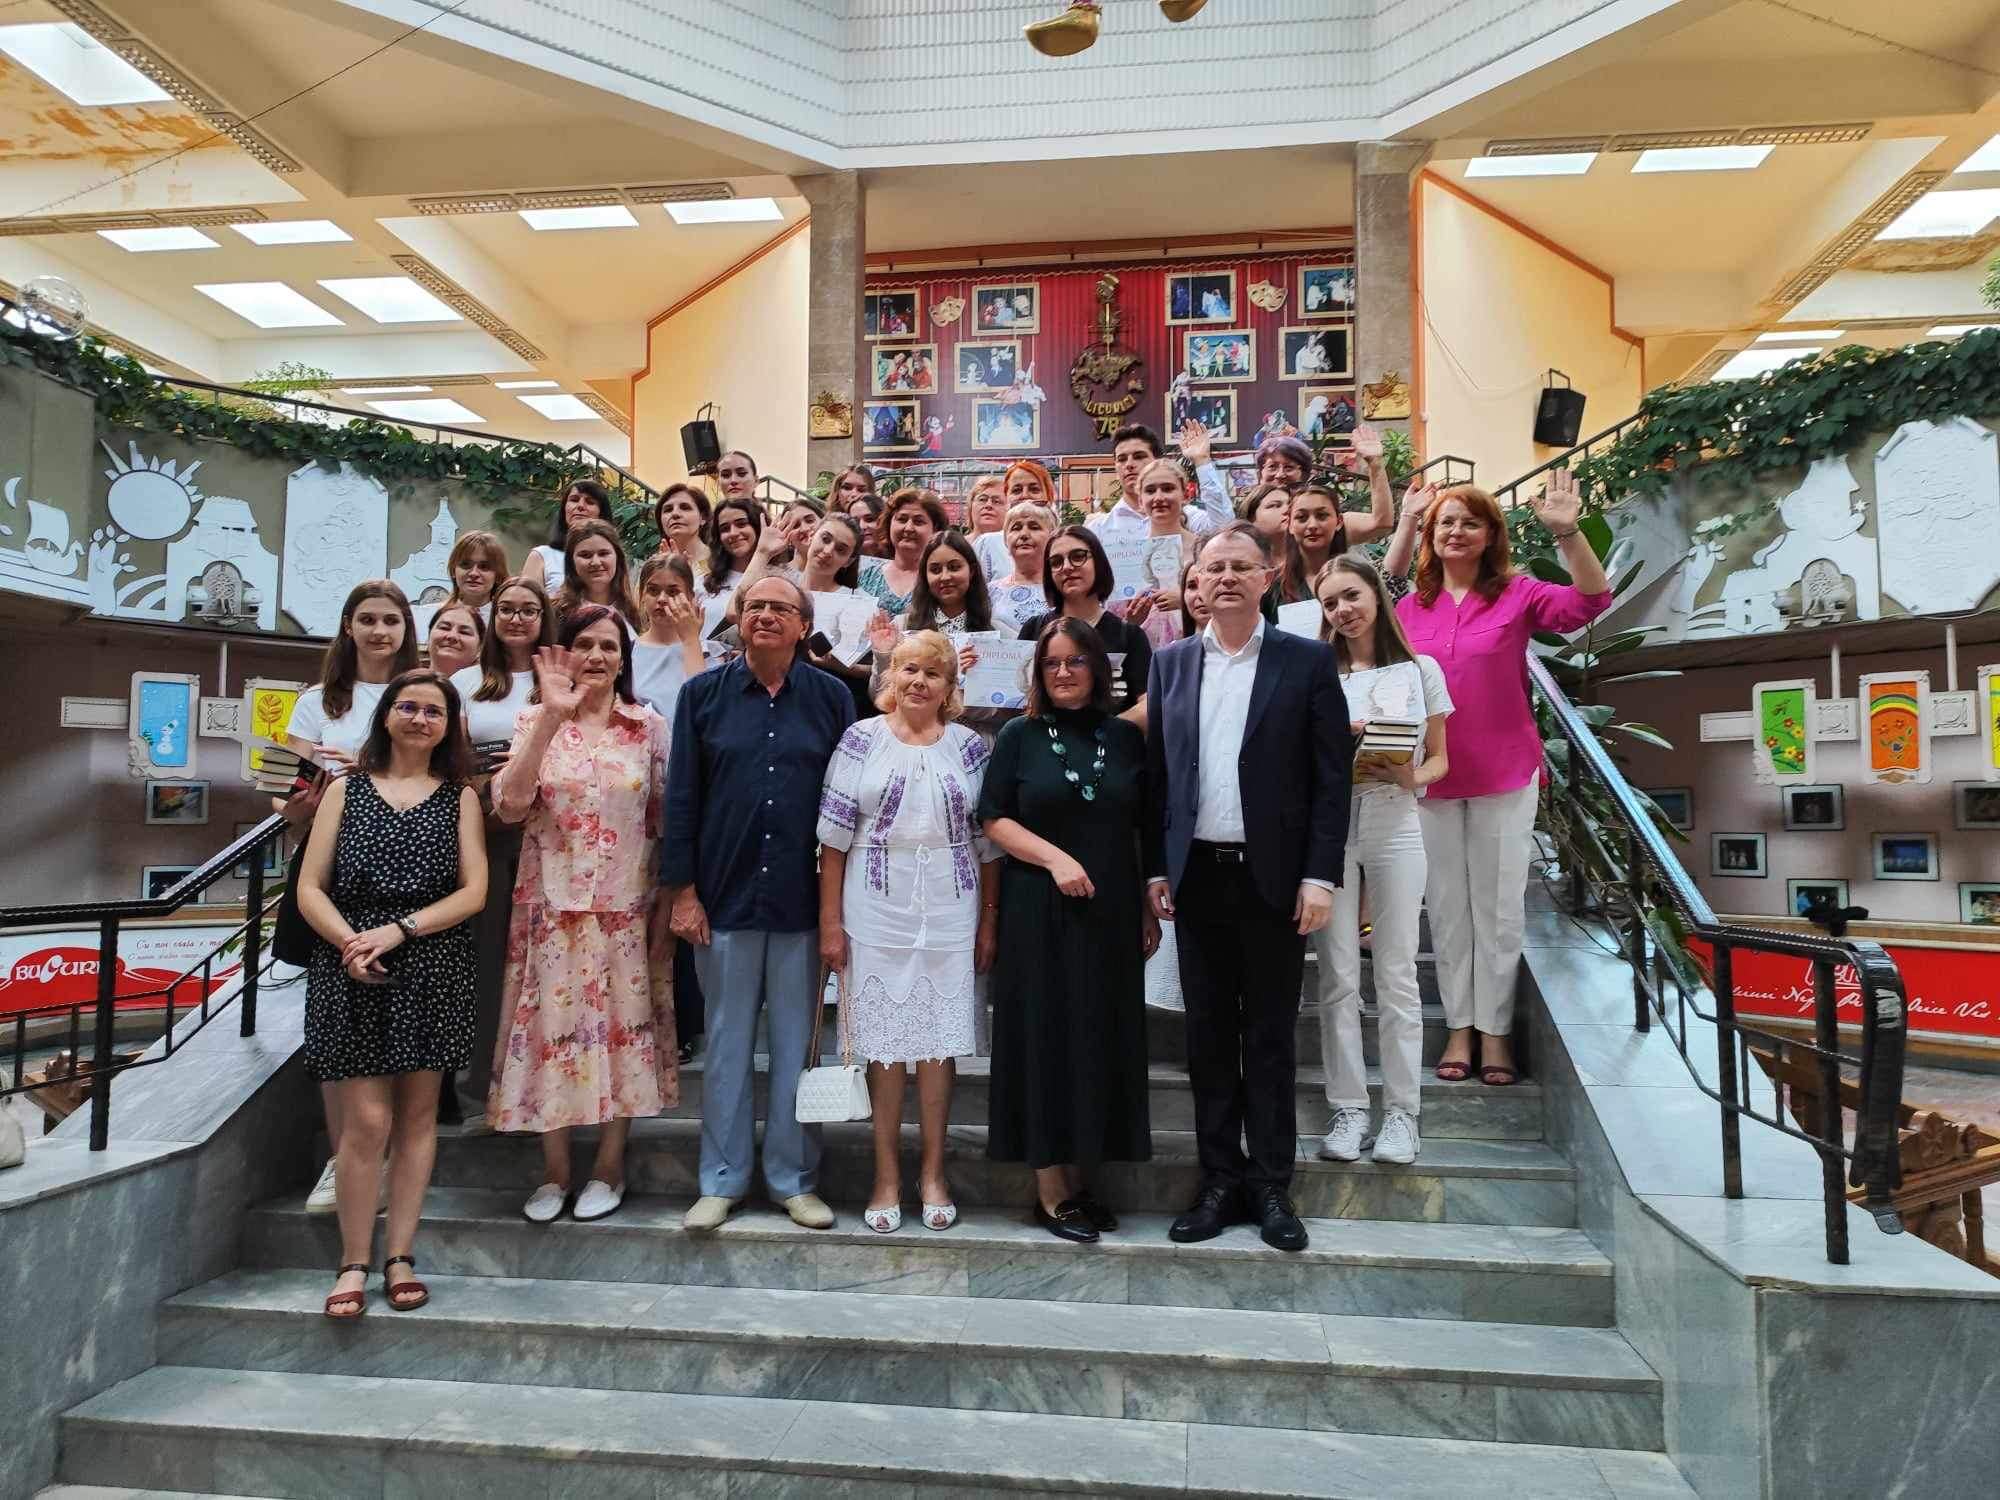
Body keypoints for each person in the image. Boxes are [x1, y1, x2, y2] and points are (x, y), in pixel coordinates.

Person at [1144, 522, 1352, 1252]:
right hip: (1197, 876)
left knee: (1267, 1037)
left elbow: (1331, 779)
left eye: (1241, 566)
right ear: (1196, 583)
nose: (1226, 578)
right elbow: (1160, 775)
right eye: (1214, 568)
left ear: (1268, 577)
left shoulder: (1307, 660)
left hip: (1276, 879)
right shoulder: (1170, 664)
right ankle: (1218, 1181)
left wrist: (1319, 875)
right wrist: (1156, 867)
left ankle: (1269, 1185)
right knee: (1207, 1038)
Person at [1396, 473, 1610, 1086]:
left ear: (1491, 534)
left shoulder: (1518, 593)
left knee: (1497, 908)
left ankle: (1494, 1033)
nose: (1456, 531)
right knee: (1446, 910)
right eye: (1446, 523)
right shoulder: (1410, 608)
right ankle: (1458, 1027)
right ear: (1431, 537)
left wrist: (1567, 533)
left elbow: (1590, 602)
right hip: (1431, 777)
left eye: (1470, 522)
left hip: (1504, 772)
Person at [664, 576, 855, 1232]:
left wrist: (838, 909)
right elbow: (681, 797)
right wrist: (683, 892)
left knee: (798, 1046)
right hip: (723, 898)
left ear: (803, 625)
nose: (766, 615)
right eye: (755, 606)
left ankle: (792, 1179)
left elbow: (847, 805)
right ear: (739, 618)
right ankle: (721, 1180)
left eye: (781, 608)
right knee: (725, 1044)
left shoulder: (832, 698)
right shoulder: (701, 696)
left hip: (804, 903)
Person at [296, 668, 486, 1316]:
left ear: (448, 726)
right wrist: (353, 943)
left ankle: (399, 1255)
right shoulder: (345, 789)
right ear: (386, 716)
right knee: (367, 1122)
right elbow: (309, 886)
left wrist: (399, 931)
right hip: (350, 961)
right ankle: (353, 1261)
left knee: (417, 1118)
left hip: (431, 961)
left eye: (434, 711)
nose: (419, 719)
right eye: (408, 707)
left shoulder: (458, 797)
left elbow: (474, 891)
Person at [488, 606, 677, 1223]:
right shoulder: (533, 720)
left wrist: (666, 910)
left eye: (609, 646)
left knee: (623, 1038)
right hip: (551, 907)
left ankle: (609, 1166)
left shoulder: (648, 727)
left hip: (627, 907)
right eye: (584, 645)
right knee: (552, 1037)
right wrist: (550, 716)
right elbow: (511, 806)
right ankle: (555, 1172)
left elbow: (663, 821)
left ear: (624, 659)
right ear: (563, 655)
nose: (596, 656)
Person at [817, 632, 997, 1232]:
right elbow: (833, 838)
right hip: (874, 907)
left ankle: (934, 1173)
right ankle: (887, 1176)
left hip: (951, 907)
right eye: (909, 669)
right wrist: (830, 923)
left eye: (933, 673)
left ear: (950, 687)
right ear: (891, 676)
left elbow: (989, 842)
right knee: (886, 1047)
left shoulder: (969, 746)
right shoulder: (860, 738)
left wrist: (990, 919)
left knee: (938, 1047)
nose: (919, 681)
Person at [981, 618, 1154, 1243]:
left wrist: (1143, 906)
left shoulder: (1124, 738)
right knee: (1044, 1041)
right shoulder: (1019, 735)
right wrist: (1055, 859)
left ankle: (1083, 1182)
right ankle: (1050, 1192)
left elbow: (1142, 826)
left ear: (1097, 668)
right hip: (1038, 912)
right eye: (1050, 662)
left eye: (1075, 661)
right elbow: (993, 818)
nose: (1062, 672)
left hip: (1109, 916)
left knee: (1099, 1040)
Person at [1311, 555, 1452, 1167]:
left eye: (1351, 596)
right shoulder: (1318, 674)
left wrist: (1412, 775)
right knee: (1338, 975)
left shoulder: (1421, 669)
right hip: (1331, 825)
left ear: (1375, 593)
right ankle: (1349, 1107)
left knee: (1396, 972)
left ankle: (1402, 1113)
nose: (1343, 610)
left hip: (1396, 818)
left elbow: (1440, 757)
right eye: (1330, 603)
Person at [285, 580, 419, 1215]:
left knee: (401, 1018)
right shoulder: (316, 702)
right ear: (347, 626)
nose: (379, 631)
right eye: (367, 619)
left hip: (409, 866)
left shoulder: (419, 695)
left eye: (391, 620)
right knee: (336, 1019)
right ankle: (343, 1160)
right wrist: (302, 801)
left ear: (406, 628)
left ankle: (387, 1155)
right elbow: (284, 799)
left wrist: (367, 770)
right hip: (332, 865)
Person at [449, 576, 554, 1114]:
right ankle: (482, 1080)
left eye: (528, 610)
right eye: (507, 609)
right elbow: (451, 755)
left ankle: (536, 1078)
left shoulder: (555, 677)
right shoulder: (467, 681)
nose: (516, 618)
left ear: (544, 618)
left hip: (549, 825)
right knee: (490, 954)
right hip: (487, 826)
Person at [1016, 525, 1151, 724]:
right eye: (1056, 562)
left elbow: (1148, 704)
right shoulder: (1034, 629)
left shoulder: (1129, 635)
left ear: (1099, 562)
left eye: (1078, 556)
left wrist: (1105, 734)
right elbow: (1015, 701)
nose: (1067, 567)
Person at [1086, 422, 1232, 542]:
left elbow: (1224, 528)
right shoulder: (1099, 529)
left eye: (1139, 456)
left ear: (1158, 462)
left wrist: (1202, 460)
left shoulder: (1186, 516)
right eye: (1122, 459)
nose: (1129, 464)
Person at [631, 554, 711, 728]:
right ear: (642, 594)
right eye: (653, 590)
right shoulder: (627, 652)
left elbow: (702, 706)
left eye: (673, 592)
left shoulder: (710, 652)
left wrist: (691, 640)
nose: (661, 599)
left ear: (690, 596)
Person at [1133, 458, 1200, 647]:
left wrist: (1184, 600)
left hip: (1194, 647)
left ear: (1185, 495)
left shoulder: (1203, 549)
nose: (1159, 497)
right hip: (1143, 651)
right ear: (1140, 500)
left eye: (1168, 488)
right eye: (1150, 490)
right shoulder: (1127, 554)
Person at [858, 487, 945, 618]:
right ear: (889, 524)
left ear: (935, 529)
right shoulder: (866, 578)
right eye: (902, 519)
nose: (908, 528)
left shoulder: (942, 580)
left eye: (918, 521)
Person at [525, 479, 614, 596]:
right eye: (574, 500)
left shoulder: (610, 558)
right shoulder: (541, 556)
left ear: (601, 513)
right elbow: (527, 601)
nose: (580, 506)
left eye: (590, 502)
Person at [553, 518, 642, 628]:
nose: (595, 562)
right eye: (585, 555)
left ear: (618, 557)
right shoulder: (556, 614)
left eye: (603, 553)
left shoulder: (636, 613)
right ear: (571, 562)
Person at [988, 500, 1057, 634]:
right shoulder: (989, 593)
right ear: (1006, 540)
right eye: (1016, 528)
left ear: (1052, 538)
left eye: (1034, 527)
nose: (1024, 534)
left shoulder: (1064, 589)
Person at [697, 497, 763, 634]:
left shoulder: (780, 579)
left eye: (741, 524)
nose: (733, 533)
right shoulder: (702, 584)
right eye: (725, 528)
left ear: (758, 527)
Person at [445, 531, 510, 613]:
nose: (474, 573)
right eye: (465, 564)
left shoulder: (507, 619)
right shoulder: (431, 614)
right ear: (453, 570)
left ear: (498, 575)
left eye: (484, 567)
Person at [653, 482, 711, 567]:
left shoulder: (722, 561)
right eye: (668, 510)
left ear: (703, 518)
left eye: (685, 508)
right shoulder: (653, 567)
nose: (675, 514)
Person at [424, 600, 484, 680]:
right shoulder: (409, 682)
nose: (452, 636)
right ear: (429, 635)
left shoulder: (492, 687)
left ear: (480, 646)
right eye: (444, 628)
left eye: (464, 632)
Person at [966, 474, 1010, 578]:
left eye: (996, 501)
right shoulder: (955, 545)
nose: (988, 505)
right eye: (982, 499)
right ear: (971, 506)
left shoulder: (1015, 549)